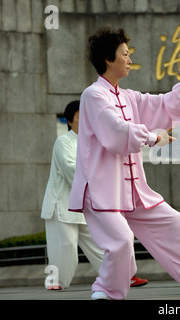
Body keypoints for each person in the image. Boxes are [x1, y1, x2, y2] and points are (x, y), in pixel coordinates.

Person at [68, 26, 180, 300]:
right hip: (103, 190)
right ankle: (105, 291)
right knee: (121, 241)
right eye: (124, 54)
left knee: (174, 222)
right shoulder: (93, 95)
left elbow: (163, 105)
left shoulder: (127, 96)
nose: (129, 59)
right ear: (108, 59)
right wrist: (153, 137)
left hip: (134, 189)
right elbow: (114, 131)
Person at [41, 101, 148, 290]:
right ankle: (55, 282)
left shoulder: (92, 142)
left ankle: (123, 276)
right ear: (69, 121)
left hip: (84, 205)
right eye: (79, 117)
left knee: (100, 245)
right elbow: (71, 170)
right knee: (64, 245)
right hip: (62, 204)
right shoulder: (63, 142)